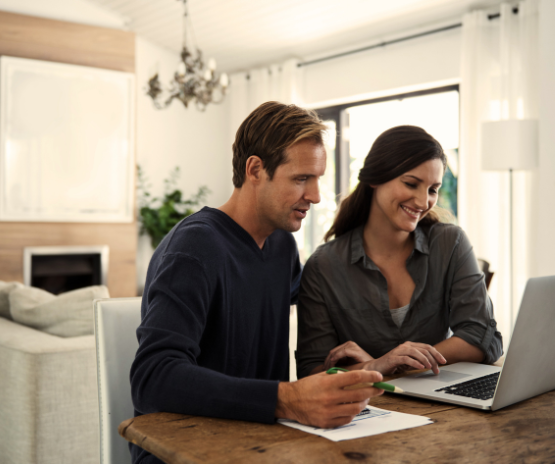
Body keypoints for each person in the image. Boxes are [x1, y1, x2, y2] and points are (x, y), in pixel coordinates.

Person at [131, 101, 384, 464]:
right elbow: (152, 378)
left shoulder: (282, 245)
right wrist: (289, 399)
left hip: (263, 444)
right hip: (185, 452)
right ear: (255, 169)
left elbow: (318, 307)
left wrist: (360, 363)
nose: (314, 195)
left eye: (316, 179)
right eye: (301, 179)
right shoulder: (195, 248)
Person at [296, 125, 503, 380]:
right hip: (365, 412)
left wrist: (399, 364)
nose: (422, 201)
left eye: (432, 189)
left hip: (441, 404)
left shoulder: (450, 243)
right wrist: (377, 366)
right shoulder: (324, 266)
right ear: (374, 177)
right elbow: (312, 373)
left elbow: (483, 339)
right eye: (411, 183)